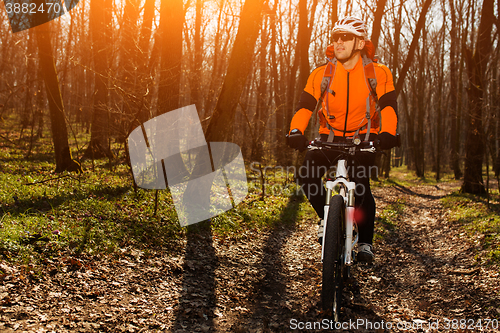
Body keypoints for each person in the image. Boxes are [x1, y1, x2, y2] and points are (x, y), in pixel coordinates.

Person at [287, 17, 398, 263]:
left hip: (363, 138)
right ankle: (326, 218)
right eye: (336, 36)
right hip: (329, 137)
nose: (339, 41)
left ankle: (366, 243)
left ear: (359, 43)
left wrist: (388, 133)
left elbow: (389, 105)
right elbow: (305, 106)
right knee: (306, 176)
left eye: (346, 37)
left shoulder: (377, 72)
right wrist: (296, 130)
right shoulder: (321, 73)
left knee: (360, 186)